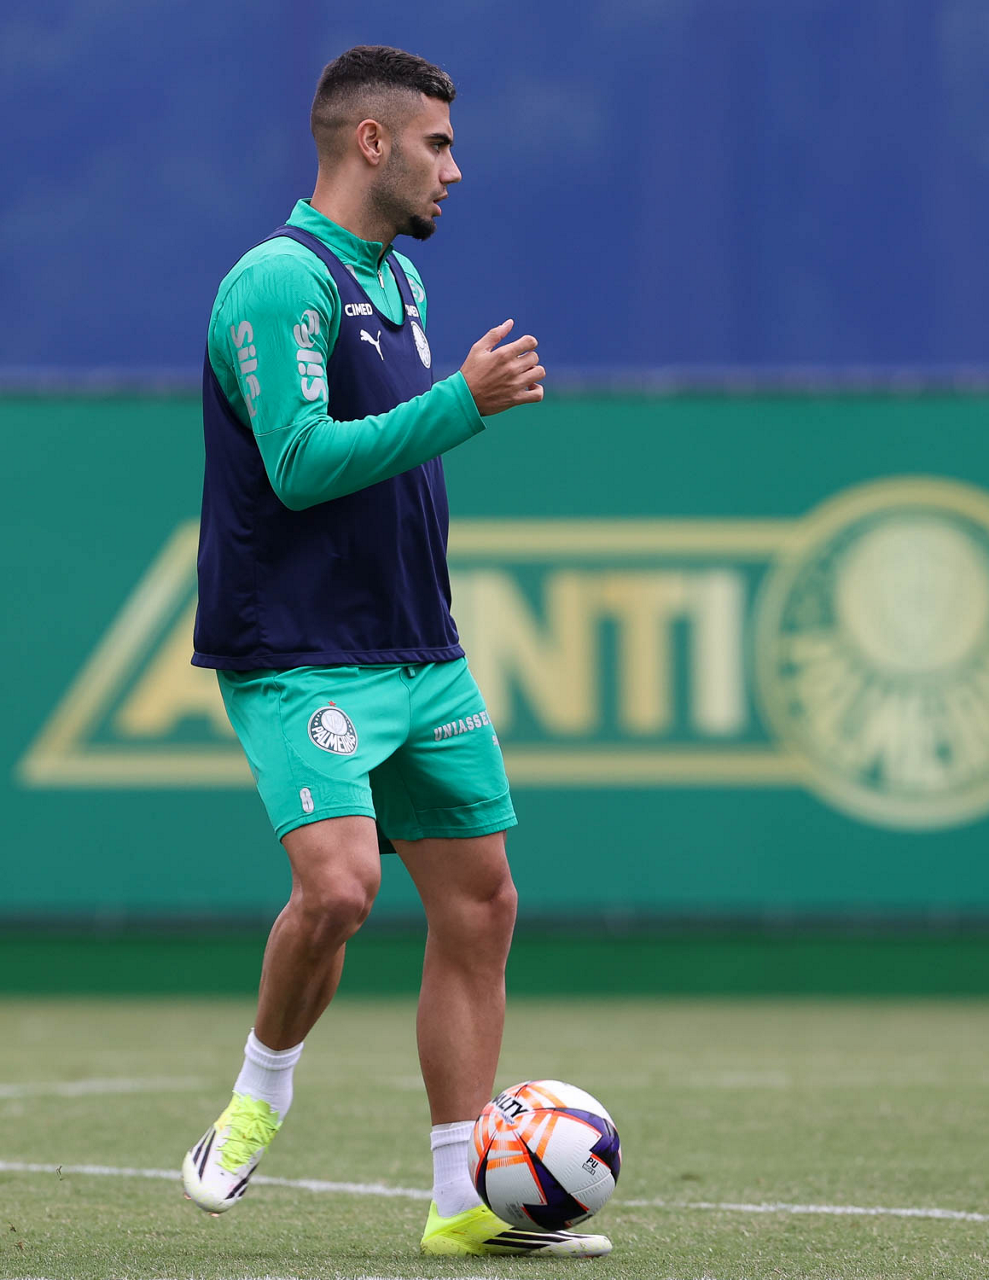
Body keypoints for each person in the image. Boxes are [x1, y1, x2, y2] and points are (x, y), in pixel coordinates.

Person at [182, 45, 611, 1259]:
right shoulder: (279, 281)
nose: (453, 169)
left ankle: (461, 1199)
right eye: (437, 144)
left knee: (481, 903)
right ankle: (259, 1094)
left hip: (422, 646)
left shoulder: (401, 282)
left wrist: (452, 406)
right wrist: (461, 402)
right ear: (371, 142)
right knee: (340, 888)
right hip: (300, 651)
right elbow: (298, 462)